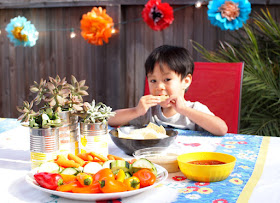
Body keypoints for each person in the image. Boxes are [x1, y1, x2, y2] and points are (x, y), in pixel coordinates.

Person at [108, 45, 228, 136]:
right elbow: (110, 120)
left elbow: (221, 129)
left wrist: (184, 110)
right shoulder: (149, 112)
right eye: (153, 81)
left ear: (186, 81)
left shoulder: (193, 109)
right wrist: (136, 111)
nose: (159, 86)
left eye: (167, 79)